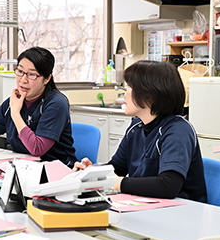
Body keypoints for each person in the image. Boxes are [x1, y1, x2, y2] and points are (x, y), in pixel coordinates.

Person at [75, 60, 207, 202]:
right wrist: (92, 173)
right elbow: (117, 167)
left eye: (130, 87)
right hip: (147, 205)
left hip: (182, 212)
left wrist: (118, 183)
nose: (125, 94)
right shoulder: (136, 126)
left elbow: (168, 185)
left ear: (150, 96)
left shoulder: (178, 131)